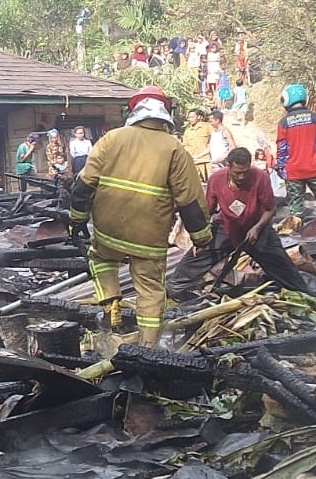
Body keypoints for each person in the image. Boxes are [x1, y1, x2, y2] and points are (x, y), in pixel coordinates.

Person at [68, 85, 212, 348]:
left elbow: (84, 183)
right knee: (150, 289)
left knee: (100, 258)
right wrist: (202, 236)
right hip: (149, 235)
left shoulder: (111, 139)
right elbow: (189, 200)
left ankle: (112, 303)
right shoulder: (174, 148)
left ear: (134, 110)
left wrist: (76, 219)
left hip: (108, 230)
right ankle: (148, 346)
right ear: (165, 114)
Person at [169, 147, 311, 299]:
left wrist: (257, 228)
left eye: (245, 172)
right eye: (237, 172)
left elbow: (270, 209)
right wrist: (200, 239)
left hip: (257, 230)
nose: (242, 176)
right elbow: (208, 210)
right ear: (228, 167)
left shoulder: (260, 177)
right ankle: (181, 294)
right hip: (226, 227)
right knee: (187, 269)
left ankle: (303, 296)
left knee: (289, 276)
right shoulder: (216, 179)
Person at [275, 84, 316, 225]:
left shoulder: (283, 123)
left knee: (296, 212)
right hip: (315, 169)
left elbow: (281, 149)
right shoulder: (315, 118)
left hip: (293, 172)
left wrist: (280, 167)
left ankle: (296, 240)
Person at [183, 109, 213, 182]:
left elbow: (214, 142)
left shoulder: (207, 127)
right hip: (193, 162)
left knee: (210, 184)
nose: (190, 119)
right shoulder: (188, 131)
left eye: (192, 117)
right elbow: (185, 146)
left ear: (199, 117)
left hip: (206, 161)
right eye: (189, 117)